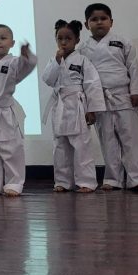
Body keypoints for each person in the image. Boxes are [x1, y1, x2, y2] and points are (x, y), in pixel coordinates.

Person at [79, 3, 138, 191]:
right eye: (94, 19)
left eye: (103, 18)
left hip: (123, 95)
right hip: (98, 98)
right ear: (86, 25)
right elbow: (82, 78)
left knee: (131, 139)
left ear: (111, 21)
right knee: (107, 140)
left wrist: (137, 91)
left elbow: (133, 67)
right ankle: (113, 179)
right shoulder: (82, 49)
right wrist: (87, 104)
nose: (99, 22)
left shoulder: (123, 42)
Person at [42, 20, 106, 193]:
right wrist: (56, 61)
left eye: (68, 38)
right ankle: (63, 182)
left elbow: (92, 84)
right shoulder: (54, 60)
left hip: (77, 105)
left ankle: (86, 182)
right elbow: (48, 80)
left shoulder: (83, 60)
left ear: (77, 40)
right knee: (60, 145)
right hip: (60, 105)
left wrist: (92, 109)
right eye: (60, 38)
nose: (63, 42)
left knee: (81, 145)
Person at [0, 24, 37, 196]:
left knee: (10, 149)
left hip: (3, 112)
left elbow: (26, 67)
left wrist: (26, 56)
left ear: (12, 43)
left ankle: (14, 184)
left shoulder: (13, 62)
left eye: (3, 38)